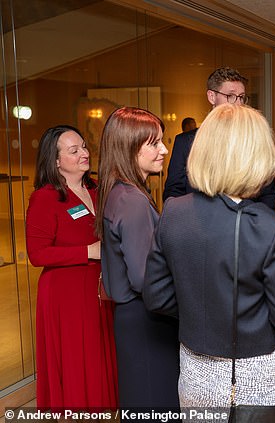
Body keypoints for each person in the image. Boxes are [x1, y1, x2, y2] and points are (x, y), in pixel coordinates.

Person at [143, 104, 275, 411]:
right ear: (258, 156)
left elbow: (156, 296)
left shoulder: (174, 213)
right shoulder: (267, 227)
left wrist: (201, 312)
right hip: (255, 380)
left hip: (195, 373)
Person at [26, 125, 117, 412]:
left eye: (84, 147)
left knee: (98, 354)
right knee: (75, 360)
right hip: (66, 294)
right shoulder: (45, 197)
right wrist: (87, 251)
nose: (84, 154)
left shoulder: (96, 188)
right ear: (55, 161)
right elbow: (37, 254)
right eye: (73, 150)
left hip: (100, 287)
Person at [95, 107, 180, 412]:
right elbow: (147, 280)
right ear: (130, 147)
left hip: (134, 319)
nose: (164, 150)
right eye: (154, 143)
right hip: (146, 320)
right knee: (155, 406)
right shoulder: (131, 201)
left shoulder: (121, 191)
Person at [163, 67, 275, 208]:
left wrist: (255, 225)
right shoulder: (186, 142)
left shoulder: (252, 141)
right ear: (212, 97)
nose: (237, 104)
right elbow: (173, 193)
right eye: (230, 96)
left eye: (241, 97)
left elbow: (269, 193)